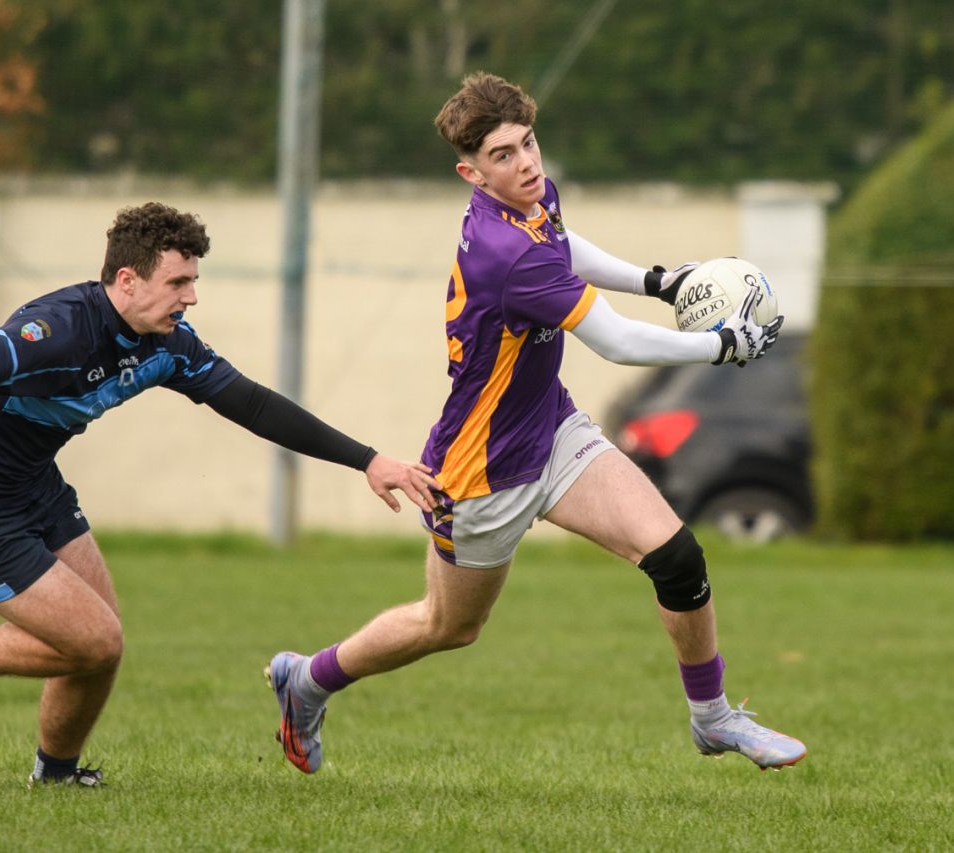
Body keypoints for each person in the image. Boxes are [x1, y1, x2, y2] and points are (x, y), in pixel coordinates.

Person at [266, 72, 803, 774]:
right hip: (481, 469)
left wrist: (658, 279)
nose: (525, 163)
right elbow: (615, 342)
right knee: (448, 625)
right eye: (501, 155)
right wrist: (720, 345)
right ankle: (307, 680)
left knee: (676, 556)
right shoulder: (504, 255)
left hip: (551, 428)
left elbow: (563, 241)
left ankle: (713, 717)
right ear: (471, 172)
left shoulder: (531, 199)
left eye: (528, 143)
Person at [0, 202, 438, 786]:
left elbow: (252, 403)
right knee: (96, 640)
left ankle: (57, 775)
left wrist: (368, 459)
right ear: (127, 279)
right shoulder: (59, 329)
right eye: (177, 282)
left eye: (193, 281)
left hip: (35, 490)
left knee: (103, 642)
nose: (191, 296)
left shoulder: (167, 345)